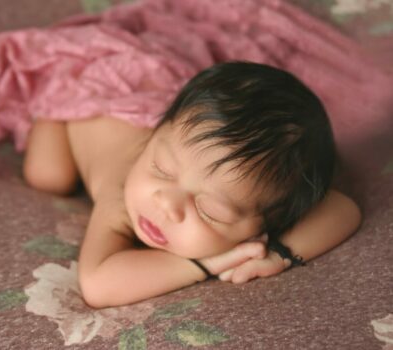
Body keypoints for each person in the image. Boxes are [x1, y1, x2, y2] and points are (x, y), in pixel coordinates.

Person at [23, 61, 362, 308]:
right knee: (49, 176)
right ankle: (52, 99)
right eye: (161, 169)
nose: (166, 203)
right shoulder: (123, 194)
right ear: (156, 137)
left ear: (263, 225)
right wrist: (207, 263)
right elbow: (99, 285)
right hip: (87, 99)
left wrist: (279, 254)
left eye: (208, 210)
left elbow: (344, 210)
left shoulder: (256, 192)